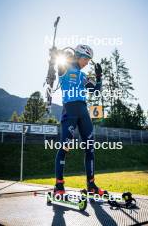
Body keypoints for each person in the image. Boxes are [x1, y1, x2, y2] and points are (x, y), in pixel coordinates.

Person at [54, 44, 105, 196]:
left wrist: (99, 77)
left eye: (89, 60)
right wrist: (55, 55)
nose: (87, 62)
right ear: (78, 56)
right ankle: (59, 185)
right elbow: (58, 63)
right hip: (69, 111)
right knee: (65, 148)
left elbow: (96, 91)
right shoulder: (65, 68)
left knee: (90, 148)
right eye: (86, 59)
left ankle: (91, 184)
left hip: (84, 112)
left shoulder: (83, 76)